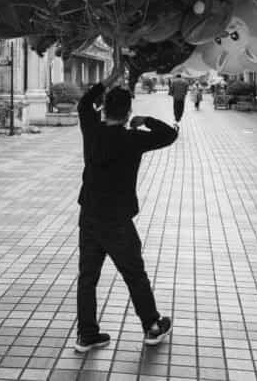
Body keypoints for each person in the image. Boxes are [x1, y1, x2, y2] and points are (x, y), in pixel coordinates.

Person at [75, 64, 178, 353]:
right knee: (134, 273)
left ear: (104, 109)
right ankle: (152, 326)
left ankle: (87, 334)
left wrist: (106, 82)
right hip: (117, 220)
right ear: (128, 111)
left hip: (90, 216)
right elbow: (170, 135)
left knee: (87, 278)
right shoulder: (133, 139)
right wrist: (144, 120)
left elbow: (84, 103)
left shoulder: (92, 130)